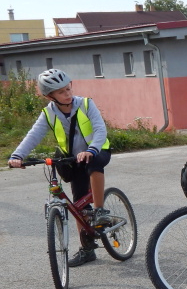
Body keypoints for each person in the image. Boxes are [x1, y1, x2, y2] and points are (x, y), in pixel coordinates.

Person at [7, 69, 113, 267]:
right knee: (78, 204)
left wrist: (91, 149)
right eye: (61, 92)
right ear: (50, 96)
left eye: (68, 88)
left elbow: (100, 129)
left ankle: (100, 210)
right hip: (72, 158)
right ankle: (87, 250)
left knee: (94, 164)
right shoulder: (48, 113)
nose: (67, 94)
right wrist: (17, 156)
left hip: (97, 151)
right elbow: (33, 135)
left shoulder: (86, 104)